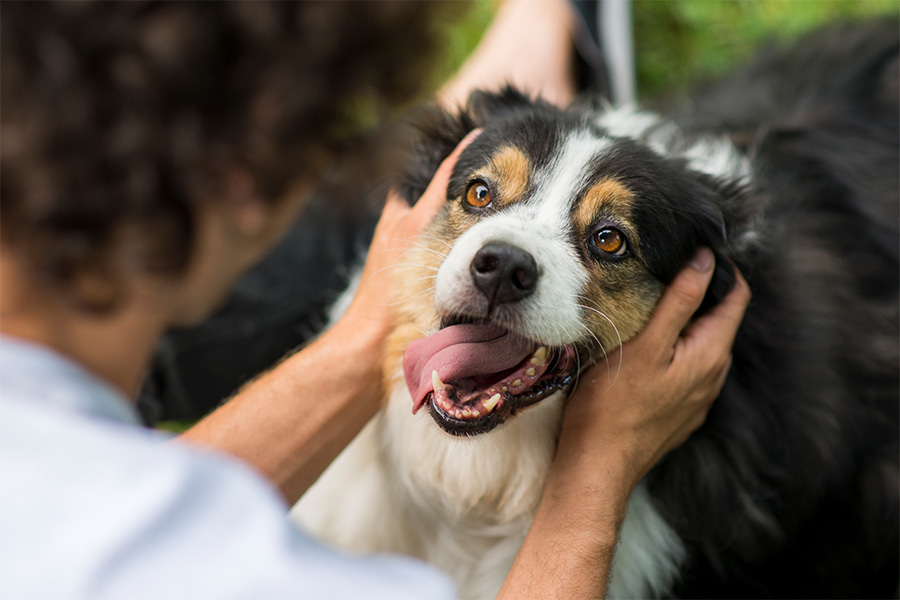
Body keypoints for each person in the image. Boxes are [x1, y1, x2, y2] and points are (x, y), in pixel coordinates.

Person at [0, 2, 751, 599]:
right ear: (243, 183)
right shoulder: (265, 574)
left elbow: (134, 514)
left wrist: (370, 333)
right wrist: (598, 472)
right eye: (315, 140)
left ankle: (534, 41)